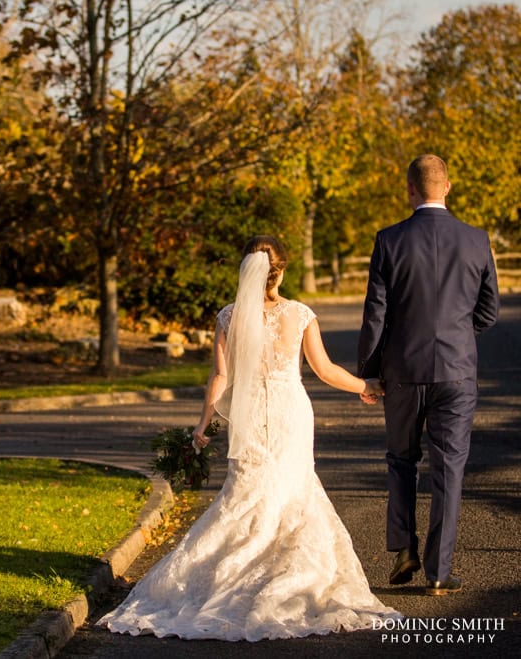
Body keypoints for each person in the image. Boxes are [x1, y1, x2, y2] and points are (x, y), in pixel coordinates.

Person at [100, 236, 400, 641]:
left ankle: (232, 578)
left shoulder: (228, 317)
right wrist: (365, 385)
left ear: (247, 269)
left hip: (250, 411)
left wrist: (203, 422)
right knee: (292, 491)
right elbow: (325, 369)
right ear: (283, 270)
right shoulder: (301, 314)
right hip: (290, 409)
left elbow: (221, 377)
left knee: (244, 494)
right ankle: (289, 579)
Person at [358, 154, 499, 596]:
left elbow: (376, 314)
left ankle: (403, 548)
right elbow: (488, 311)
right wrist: (457, 332)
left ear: (409, 189)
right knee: (449, 469)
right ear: (448, 187)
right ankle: (439, 572)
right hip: (457, 372)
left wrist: (369, 372)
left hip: (402, 370)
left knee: (401, 460)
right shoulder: (477, 240)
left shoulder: (389, 240)